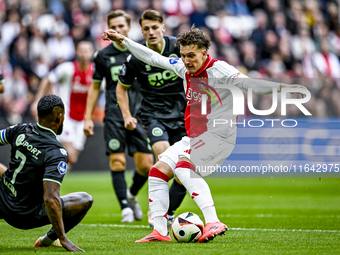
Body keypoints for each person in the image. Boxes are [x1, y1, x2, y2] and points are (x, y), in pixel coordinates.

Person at [102, 26, 308, 242]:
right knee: (157, 172)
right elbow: (152, 57)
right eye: (182, 55)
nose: (186, 61)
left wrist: (284, 88)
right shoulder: (183, 68)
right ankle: (160, 231)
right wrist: (124, 40)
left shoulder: (221, 71)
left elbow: (251, 84)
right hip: (193, 137)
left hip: (219, 136)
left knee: (183, 167)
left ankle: (213, 221)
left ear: (204, 52)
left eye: (191, 56)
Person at [116, 9, 187, 226]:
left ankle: (169, 211)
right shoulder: (136, 56)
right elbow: (121, 89)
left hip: (182, 115)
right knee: (165, 158)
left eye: (155, 27)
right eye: (146, 28)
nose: (151, 32)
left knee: (187, 170)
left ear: (163, 28)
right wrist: (127, 115)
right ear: (142, 31)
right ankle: (156, 211)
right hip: (153, 115)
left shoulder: (178, 48)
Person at [83, 10, 153, 223]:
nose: (119, 30)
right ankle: (125, 208)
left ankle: (131, 195)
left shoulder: (141, 51)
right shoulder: (103, 56)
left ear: (129, 27)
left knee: (146, 165)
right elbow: (95, 88)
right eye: (114, 26)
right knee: (117, 162)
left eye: (122, 26)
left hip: (138, 114)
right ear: (109, 29)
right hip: (113, 115)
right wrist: (87, 117)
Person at [0, 94, 93, 251]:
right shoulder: (57, 153)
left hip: (3, 202)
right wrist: (63, 238)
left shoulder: (20, 129)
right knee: (85, 199)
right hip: (25, 215)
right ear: (59, 117)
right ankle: (49, 239)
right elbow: (50, 198)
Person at [31, 40, 94, 167]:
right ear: (76, 52)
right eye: (81, 50)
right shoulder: (67, 68)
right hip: (66, 117)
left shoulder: (95, 72)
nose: (84, 53)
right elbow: (48, 79)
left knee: (73, 157)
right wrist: (37, 100)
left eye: (87, 50)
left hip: (83, 119)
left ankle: (51, 172)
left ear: (92, 53)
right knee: (69, 152)